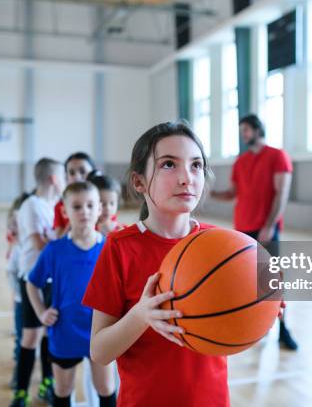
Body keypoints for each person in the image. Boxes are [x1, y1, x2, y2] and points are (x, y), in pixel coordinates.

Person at [82, 121, 229, 406]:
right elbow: (99, 351)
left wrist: (263, 302)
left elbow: (240, 319)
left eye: (196, 165)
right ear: (138, 182)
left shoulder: (221, 244)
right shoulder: (120, 247)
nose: (187, 177)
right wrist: (140, 316)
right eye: (169, 165)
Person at [211, 113, 298, 350]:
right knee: (246, 282)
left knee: (271, 280)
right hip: (243, 228)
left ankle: (282, 330)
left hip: (265, 229)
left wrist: (269, 225)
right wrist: (209, 192)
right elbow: (232, 193)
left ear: (258, 129)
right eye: (242, 131)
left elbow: (282, 194)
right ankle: (251, 326)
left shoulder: (278, 156)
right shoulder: (241, 161)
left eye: (247, 130)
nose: (244, 134)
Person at [27, 181, 116, 407]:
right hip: (64, 331)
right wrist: (41, 312)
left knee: (105, 388)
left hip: (99, 332)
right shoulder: (55, 250)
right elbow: (32, 283)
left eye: (90, 205)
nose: (84, 211)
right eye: (76, 207)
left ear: (99, 209)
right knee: (63, 389)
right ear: (65, 211)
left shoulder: (109, 249)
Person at [11, 158, 66, 407]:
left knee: (49, 331)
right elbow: (39, 246)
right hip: (33, 278)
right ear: (54, 179)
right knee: (30, 336)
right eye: (63, 175)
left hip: (52, 278)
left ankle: (46, 383)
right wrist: (66, 240)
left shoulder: (53, 204)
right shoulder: (32, 205)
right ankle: (21, 393)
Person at [6, 191, 32, 389]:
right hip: (21, 301)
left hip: (39, 299)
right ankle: (19, 370)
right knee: (20, 339)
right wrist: (19, 293)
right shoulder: (16, 248)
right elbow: (11, 273)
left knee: (41, 340)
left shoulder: (33, 244)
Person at [54, 152, 97, 238]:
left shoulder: (103, 203)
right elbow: (59, 239)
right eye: (72, 173)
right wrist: (75, 218)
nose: (77, 176)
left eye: (82, 171)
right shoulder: (60, 206)